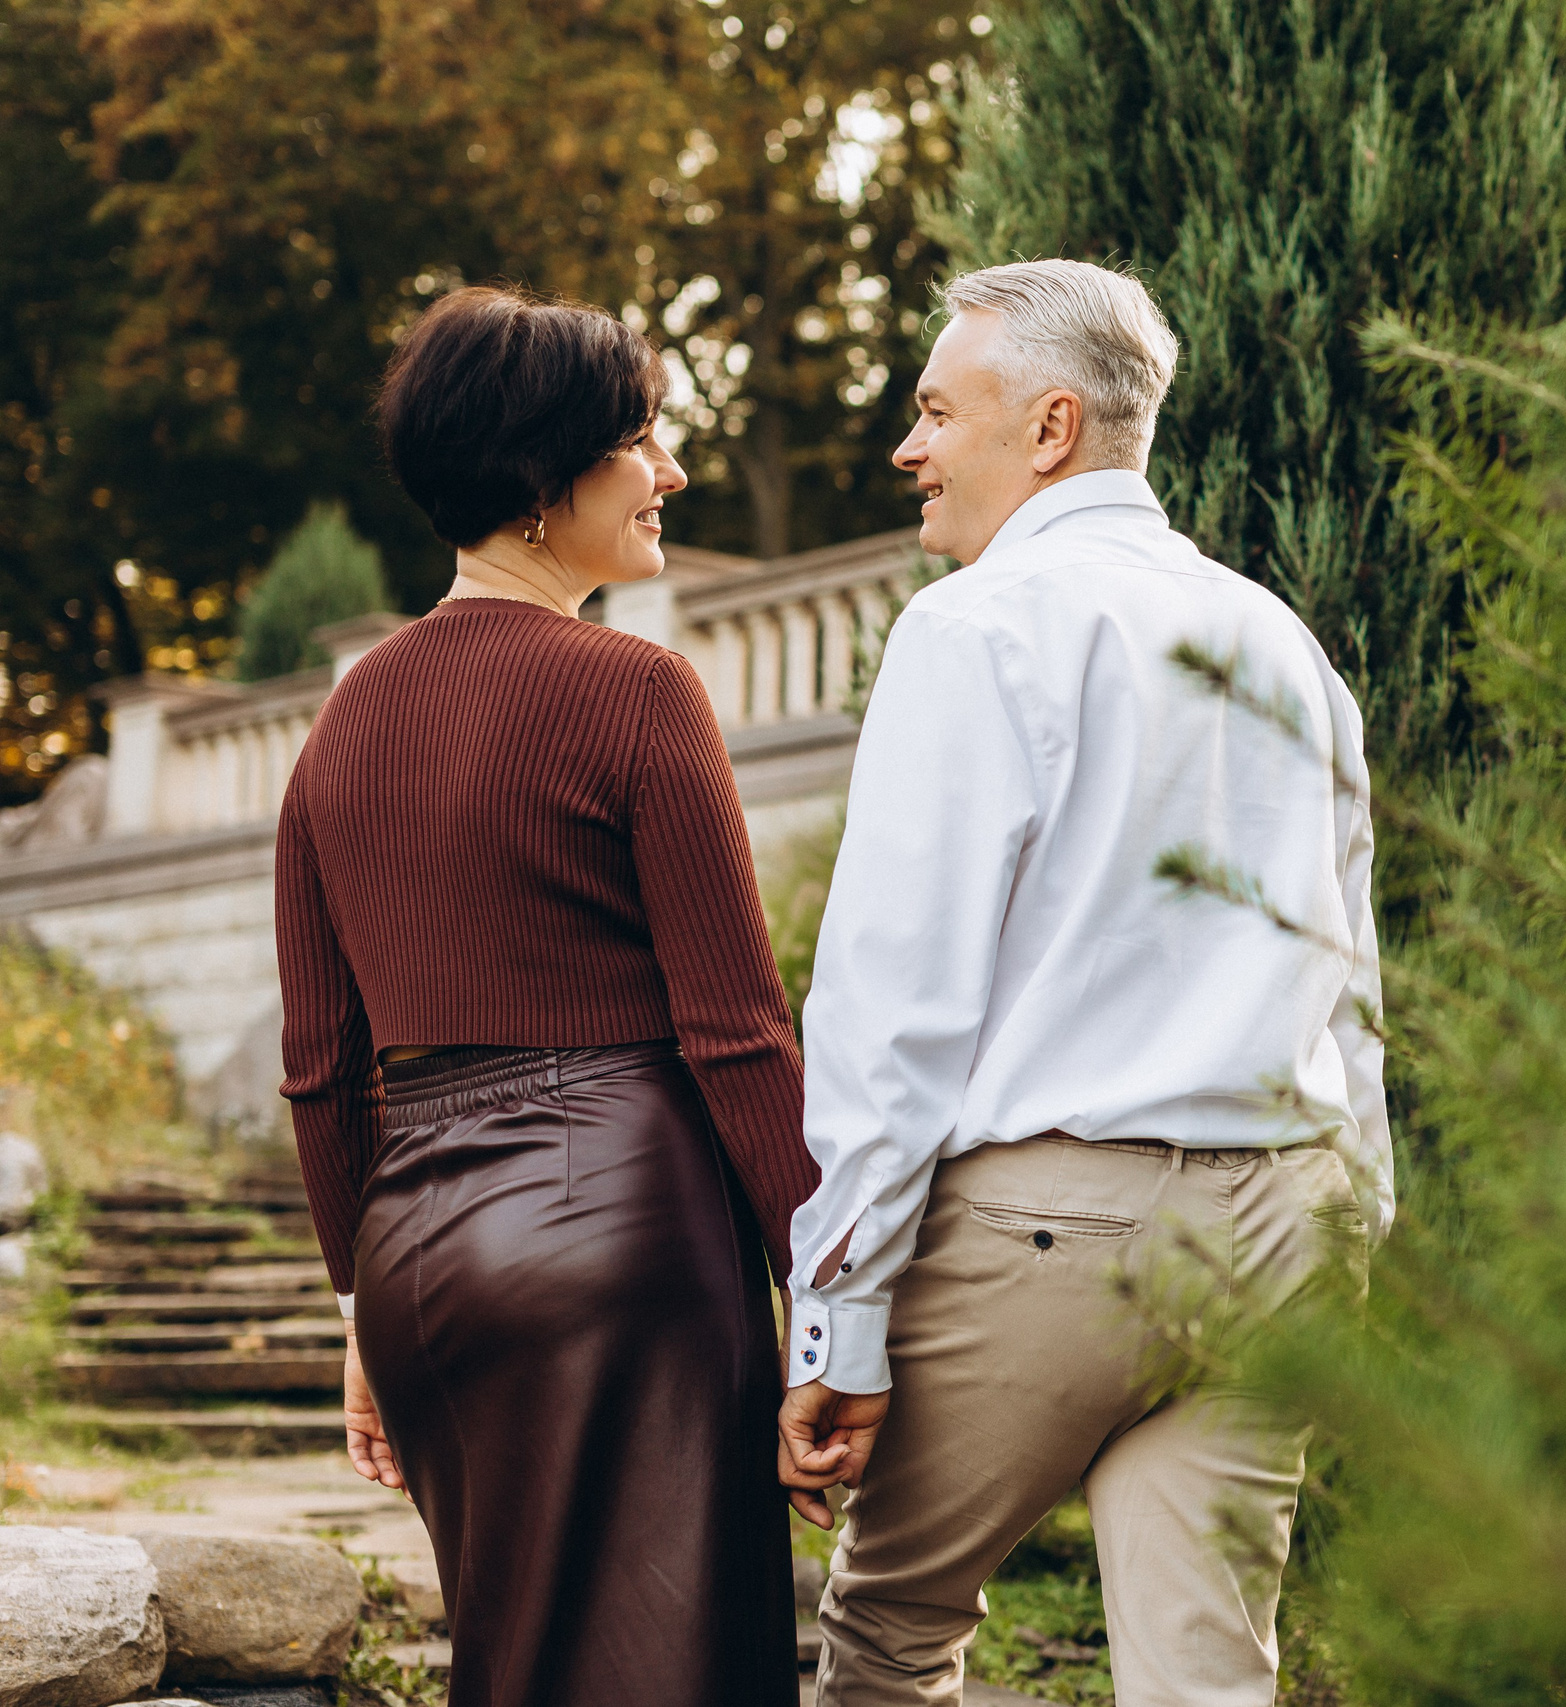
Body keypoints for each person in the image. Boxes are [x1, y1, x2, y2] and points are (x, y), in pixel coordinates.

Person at [775, 259, 1395, 1707]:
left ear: (1049, 428)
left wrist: (838, 1320)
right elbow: (1348, 970)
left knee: (890, 1639)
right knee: (1207, 1680)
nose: (907, 449)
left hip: (1058, 1232)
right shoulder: (1279, 640)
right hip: (1283, 1231)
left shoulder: (972, 627)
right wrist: (1358, 1213)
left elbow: (892, 1011)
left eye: (934, 412)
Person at [277, 285, 815, 1707]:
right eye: (638, 439)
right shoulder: (639, 694)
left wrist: (358, 1306)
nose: (670, 472)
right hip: (621, 1238)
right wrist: (828, 1290)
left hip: (421, 1260)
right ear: (536, 481)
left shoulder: (338, 730)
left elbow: (323, 1070)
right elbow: (739, 1034)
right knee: (671, 1668)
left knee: (520, 1661)